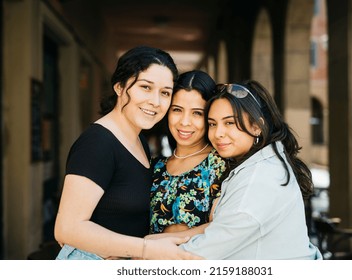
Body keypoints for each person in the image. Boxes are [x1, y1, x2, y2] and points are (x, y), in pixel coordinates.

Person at [54, 46, 201, 260]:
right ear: (120, 87)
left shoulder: (139, 140)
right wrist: (145, 248)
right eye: (145, 87)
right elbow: (67, 229)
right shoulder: (98, 143)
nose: (156, 102)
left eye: (165, 93)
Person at [180, 80, 323, 259]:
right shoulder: (261, 164)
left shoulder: (258, 180)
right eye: (213, 124)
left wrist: (142, 249)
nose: (218, 133)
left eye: (230, 123)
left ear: (256, 127)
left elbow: (196, 256)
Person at [149, 70, 226, 235]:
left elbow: (224, 228)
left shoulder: (221, 165)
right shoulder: (154, 168)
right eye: (177, 110)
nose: (184, 122)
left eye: (197, 113)